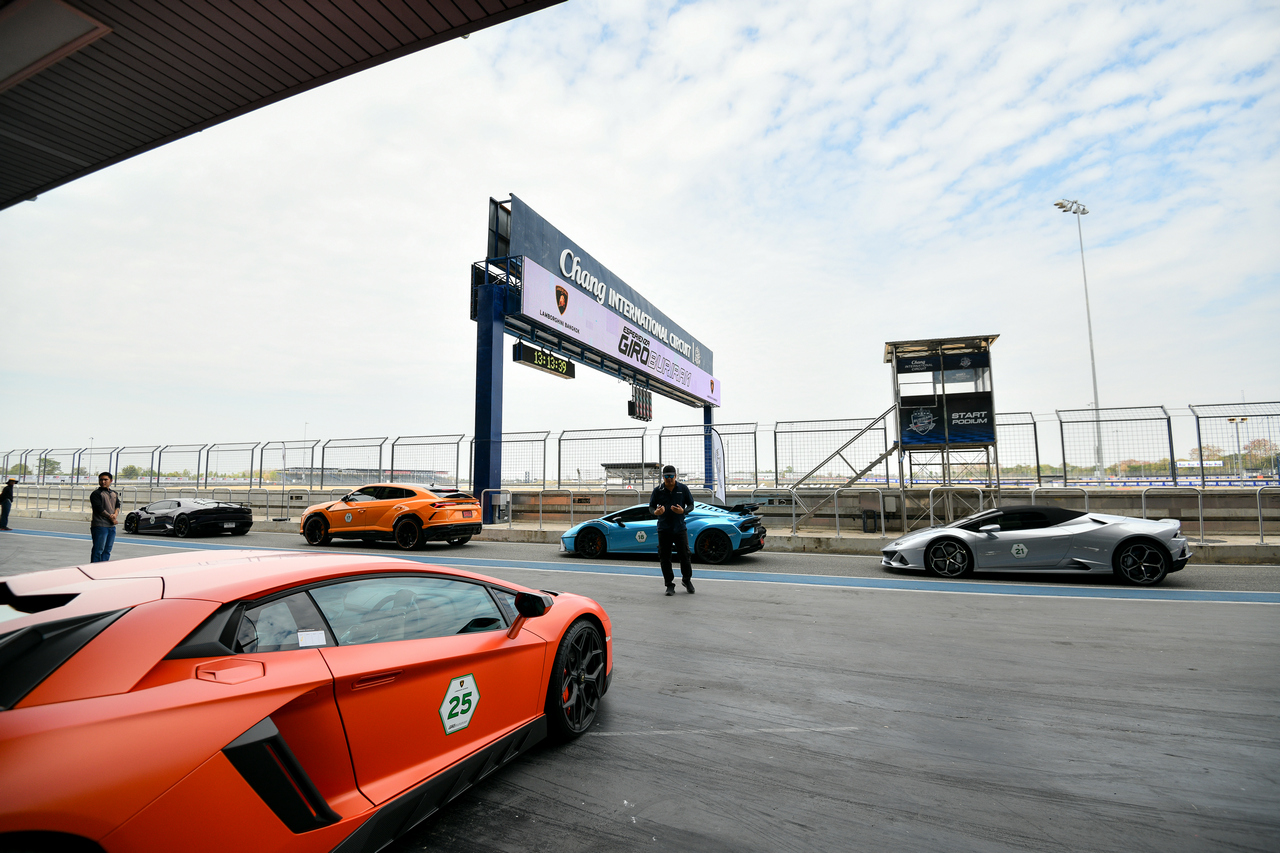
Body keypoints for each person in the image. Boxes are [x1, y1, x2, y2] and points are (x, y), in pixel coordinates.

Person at [649, 464, 695, 596]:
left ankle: (687, 580)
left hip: (680, 528)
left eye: (671, 476)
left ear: (675, 476)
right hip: (664, 529)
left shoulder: (683, 488)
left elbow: (691, 505)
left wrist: (683, 511)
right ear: (663, 477)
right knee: (664, 557)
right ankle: (669, 584)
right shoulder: (657, 490)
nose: (669, 479)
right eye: (666, 476)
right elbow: (651, 507)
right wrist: (656, 512)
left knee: (685, 556)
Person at [89, 471, 121, 562]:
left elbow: (118, 505)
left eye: (105, 479)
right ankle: (94, 569)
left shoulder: (114, 493)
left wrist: (115, 515)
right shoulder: (96, 494)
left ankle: (103, 568)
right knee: (98, 550)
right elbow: (99, 509)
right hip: (100, 526)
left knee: (107, 550)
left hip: (111, 526)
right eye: (101, 480)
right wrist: (111, 518)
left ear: (111, 480)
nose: (103, 482)